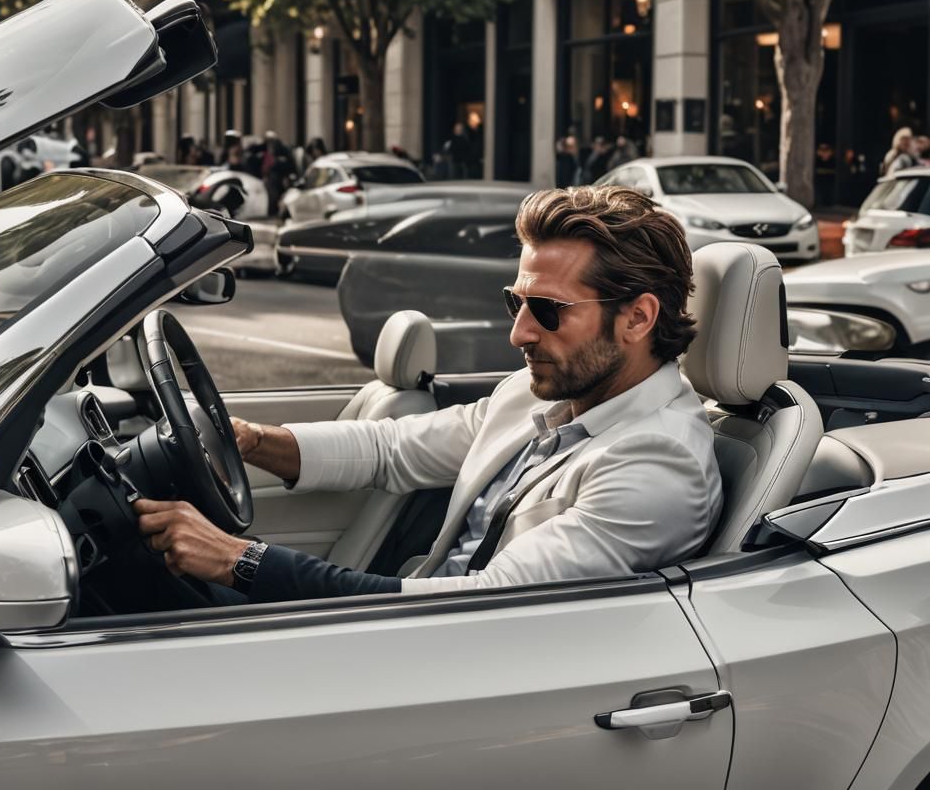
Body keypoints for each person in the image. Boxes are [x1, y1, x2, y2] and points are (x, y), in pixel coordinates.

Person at [134, 186, 722, 604]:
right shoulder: (540, 394)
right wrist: (249, 440)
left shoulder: (658, 464)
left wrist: (241, 560)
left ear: (638, 318)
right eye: (515, 303)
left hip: (462, 660)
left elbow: (486, 605)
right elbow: (392, 449)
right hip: (422, 628)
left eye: (547, 310)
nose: (518, 333)